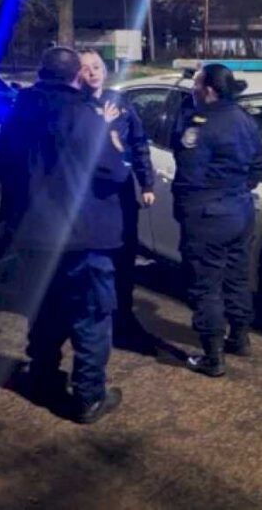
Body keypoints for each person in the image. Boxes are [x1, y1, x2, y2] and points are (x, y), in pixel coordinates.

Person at [0, 46, 130, 423]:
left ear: (41, 72)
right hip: (82, 237)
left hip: (34, 234)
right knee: (90, 315)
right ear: (76, 76)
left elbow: (4, 165)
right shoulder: (84, 116)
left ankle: (42, 378)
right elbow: (114, 174)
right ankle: (89, 397)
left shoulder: (18, 114)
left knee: (44, 309)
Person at [172, 63, 262, 377]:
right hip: (240, 209)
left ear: (209, 89)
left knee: (206, 286)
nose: (193, 89)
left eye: (197, 84)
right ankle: (240, 337)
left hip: (208, 215)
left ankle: (213, 356)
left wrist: (188, 209)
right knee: (236, 277)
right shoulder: (244, 119)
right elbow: (257, 166)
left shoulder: (200, 125)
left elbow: (188, 175)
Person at [79, 50, 156, 347]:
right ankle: (100, 319)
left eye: (96, 67)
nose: (92, 73)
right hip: (93, 199)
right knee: (98, 264)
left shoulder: (120, 102)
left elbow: (139, 144)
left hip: (122, 194)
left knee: (126, 257)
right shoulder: (77, 107)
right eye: (85, 69)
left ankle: (124, 316)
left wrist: (146, 182)